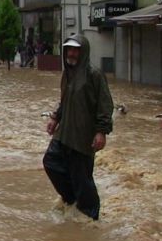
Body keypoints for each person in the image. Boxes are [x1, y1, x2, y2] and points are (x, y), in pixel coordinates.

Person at [42, 34, 114, 221]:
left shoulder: (94, 75)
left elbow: (105, 104)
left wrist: (101, 131)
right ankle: (71, 198)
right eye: (69, 49)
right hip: (64, 132)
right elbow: (65, 100)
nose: (72, 53)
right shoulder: (68, 73)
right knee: (50, 161)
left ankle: (90, 216)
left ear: (83, 52)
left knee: (82, 177)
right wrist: (55, 118)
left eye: (76, 50)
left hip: (83, 137)